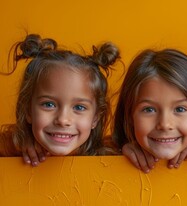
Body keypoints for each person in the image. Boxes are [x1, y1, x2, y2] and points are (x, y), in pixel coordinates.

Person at [0, 34, 120, 165]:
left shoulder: (107, 153)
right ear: (28, 110)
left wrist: (133, 149)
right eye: (49, 104)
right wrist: (19, 141)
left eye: (79, 107)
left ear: (95, 118)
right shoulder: (14, 148)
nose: (63, 120)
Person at [112, 49, 187, 172]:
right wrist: (120, 151)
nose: (165, 124)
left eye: (180, 109)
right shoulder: (107, 154)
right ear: (129, 116)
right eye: (149, 109)